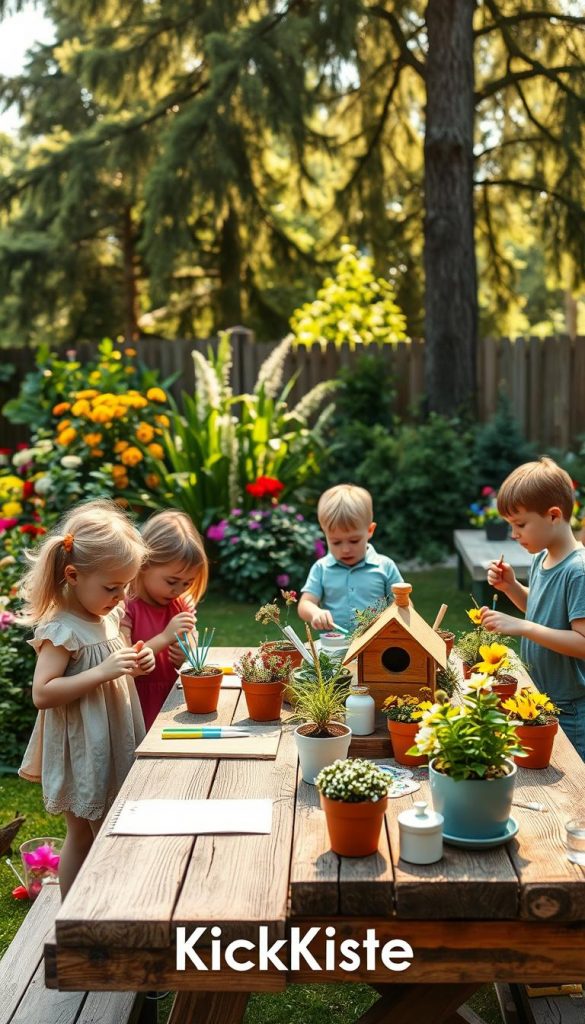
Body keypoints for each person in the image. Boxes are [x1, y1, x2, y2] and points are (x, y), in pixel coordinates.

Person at [18, 499, 155, 896]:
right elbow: (42, 693)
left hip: (113, 734)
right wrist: (101, 672)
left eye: (126, 586)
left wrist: (137, 661)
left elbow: (116, 662)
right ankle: (74, 914)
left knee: (116, 821)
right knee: (83, 830)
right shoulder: (61, 629)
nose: (121, 596)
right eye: (112, 587)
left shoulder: (107, 615)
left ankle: (108, 897)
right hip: (82, 744)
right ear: (74, 575)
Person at [480, 457, 585, 759]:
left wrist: (522, 627)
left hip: (571, 707)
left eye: (520, 524)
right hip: (541, 698)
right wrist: (511, 586)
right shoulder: (542, 559)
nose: (514, 534)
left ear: (553, 515)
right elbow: (540, 611)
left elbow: (582, 642)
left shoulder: (577, 571)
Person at [123, 509, 209, 731]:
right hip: (138, 701)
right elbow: (125, 664)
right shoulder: (126, 606)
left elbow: (192, 641)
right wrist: (164, 637)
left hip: (174, 696)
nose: (178, 590)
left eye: (187, 583)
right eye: (172, 581)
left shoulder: (181, 603)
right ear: (144, 563)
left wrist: (188, 651)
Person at [298, 484, 403, 634]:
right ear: (325, 534)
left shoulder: (385, 566)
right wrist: (316, 613)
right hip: (333, 648)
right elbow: (305, 604)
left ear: (370, 531)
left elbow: (404, 606)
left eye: (354, 541)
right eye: (336, 542)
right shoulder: (321, 568)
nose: (345, 549)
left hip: (375, 646)